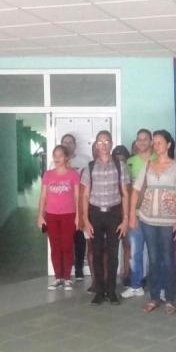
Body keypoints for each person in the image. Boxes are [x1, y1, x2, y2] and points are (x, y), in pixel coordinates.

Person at [132, 130, 176, 315]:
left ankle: (169, 298)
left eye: (160, 142)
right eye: (154, 142)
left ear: (169, 145)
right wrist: (132, 214)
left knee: (168, 259)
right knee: (153, 259)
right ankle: (154, 297)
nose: (156, 145)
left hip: (168, 221)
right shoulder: (148, 165)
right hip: (148, 219)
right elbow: (137, 190)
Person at [81, 130, 129, 305]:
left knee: (113, 253)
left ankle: (111, 291)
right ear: (96, 145)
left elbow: (125, 194)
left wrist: (125, 219)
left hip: (114, 213)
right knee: (97, 252)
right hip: (94, 214)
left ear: (111, 143)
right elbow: (85, 196)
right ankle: (99, 291)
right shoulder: (90, 167)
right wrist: (85, 220)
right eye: (100, 142)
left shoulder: (120, 165)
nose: (103, 145)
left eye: (106, 141)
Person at [38, 145, 80, 291]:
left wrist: (78, 217)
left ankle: (67, 278)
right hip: (51, 215)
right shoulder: (48, 175)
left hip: (69, 215)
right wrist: (40, 216)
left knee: (67, 246)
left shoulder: (73, 174)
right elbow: (43, 196)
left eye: (60, 155)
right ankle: (58, 278)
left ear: (66, 158)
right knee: (55, 246)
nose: (57, 158)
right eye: (55, 155)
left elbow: (77, 197)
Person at [122, 129, 157, 298]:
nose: (142, 142)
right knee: (135, 251)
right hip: (135, 212)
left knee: (155, 252)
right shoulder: (129, 162)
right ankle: (136, 285)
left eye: (145, 139)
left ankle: (157, 286)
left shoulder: (158, 160)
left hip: (154, 214)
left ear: (151, 141)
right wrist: (128, 214)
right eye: (139, 139)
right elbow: (127, 191)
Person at [61, 133, 90, 281]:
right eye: (65, 142)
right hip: (61, 206)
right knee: (65, 239)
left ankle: (79, 268)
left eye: (70, 142)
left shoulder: (84, 160)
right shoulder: (56, 161)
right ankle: (64, 269)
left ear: (75, 145)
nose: (68, 145)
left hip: (79, 205)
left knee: (79, 238)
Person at [113, 145, 132, 286]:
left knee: (127, 246)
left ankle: (126, 274)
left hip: (126, 213)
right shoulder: (110, 171)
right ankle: (110, 276)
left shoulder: (129, 173)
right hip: (112, 213)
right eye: (117, 157)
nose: (120, 160)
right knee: (111, 248)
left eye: (123, 158)